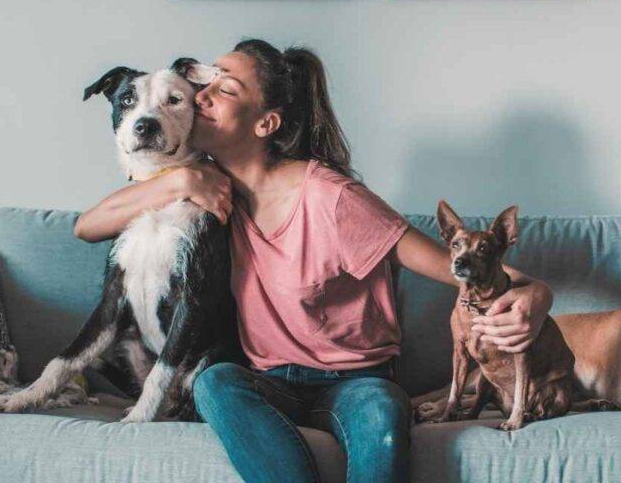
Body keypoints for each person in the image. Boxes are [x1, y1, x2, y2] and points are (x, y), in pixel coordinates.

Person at [74, 39, 552, 483]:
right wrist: (176, 183)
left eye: (225, 89)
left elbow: (455, 267)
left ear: (265, 123)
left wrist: (536, 291)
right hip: (267, 380)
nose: (202, 97)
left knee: (382, 417)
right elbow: (87, 226)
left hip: (356, 381)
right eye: (206, 86)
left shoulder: (332, 198)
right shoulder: (203, 187)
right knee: (215, 383)